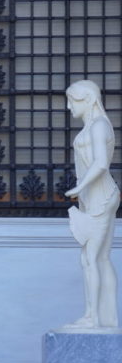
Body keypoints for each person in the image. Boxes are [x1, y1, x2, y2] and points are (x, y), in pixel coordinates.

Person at [63, 79, 120, 331]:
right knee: (101, 258)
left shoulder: (98, 126)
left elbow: (99, 164)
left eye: (71, 100)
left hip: (100, 196)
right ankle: (106, 319)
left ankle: (92, 317)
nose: (68, 107)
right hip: (96, 196)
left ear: (87, 99)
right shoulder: (96, 125)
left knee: (90, 258)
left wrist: (78, 187)